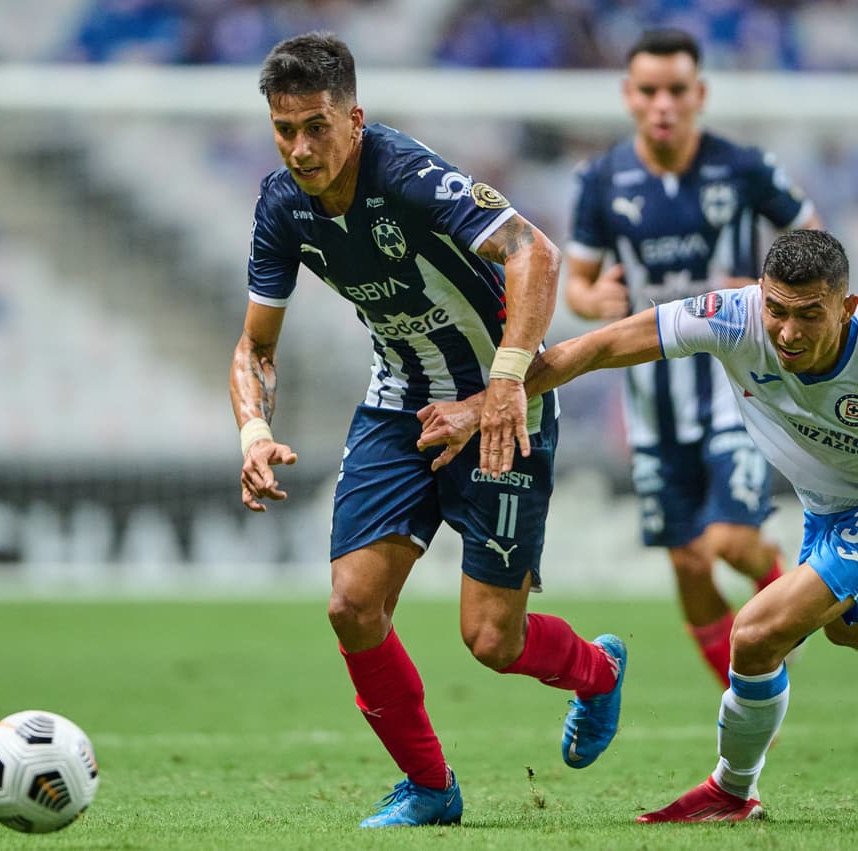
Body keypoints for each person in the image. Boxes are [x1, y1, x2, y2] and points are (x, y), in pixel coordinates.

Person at [419, 229, 858, 822]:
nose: (788, 333)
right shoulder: (732, 319)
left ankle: (732, 790)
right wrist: (481, 405)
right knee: (852, 628)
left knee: (753, 636)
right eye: (776, 310)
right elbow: (597, 347)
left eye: (809, 315)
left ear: (846, 307)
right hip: (830, 505)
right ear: (760, 296)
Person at [229, 31, 627, 829]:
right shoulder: (281, 206)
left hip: (500, 401)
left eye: (317, 126)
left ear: (355, 117)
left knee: (491, 639)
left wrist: (508, 381)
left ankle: (598, 672)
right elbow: (255, 346)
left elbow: (534, 252)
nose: (301, 148)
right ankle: (431, 787)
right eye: (284, 130)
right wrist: (252, 430)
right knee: (351, 604)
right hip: (399, 403)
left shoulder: (407, 175)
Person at [564, 28, 823, 688]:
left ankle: (789, 609)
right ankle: (747, 693)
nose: (663, 104)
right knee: (686, 561)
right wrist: (598, 302)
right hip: (651, 397)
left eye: (677, 90)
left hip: (734, 385)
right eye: (649, 91)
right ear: (628, 96)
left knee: (730, 541)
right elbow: (579, 283)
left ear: (699, 93)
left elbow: (813, 241)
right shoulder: (601, 180)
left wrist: (768, 286)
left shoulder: (743, 168)